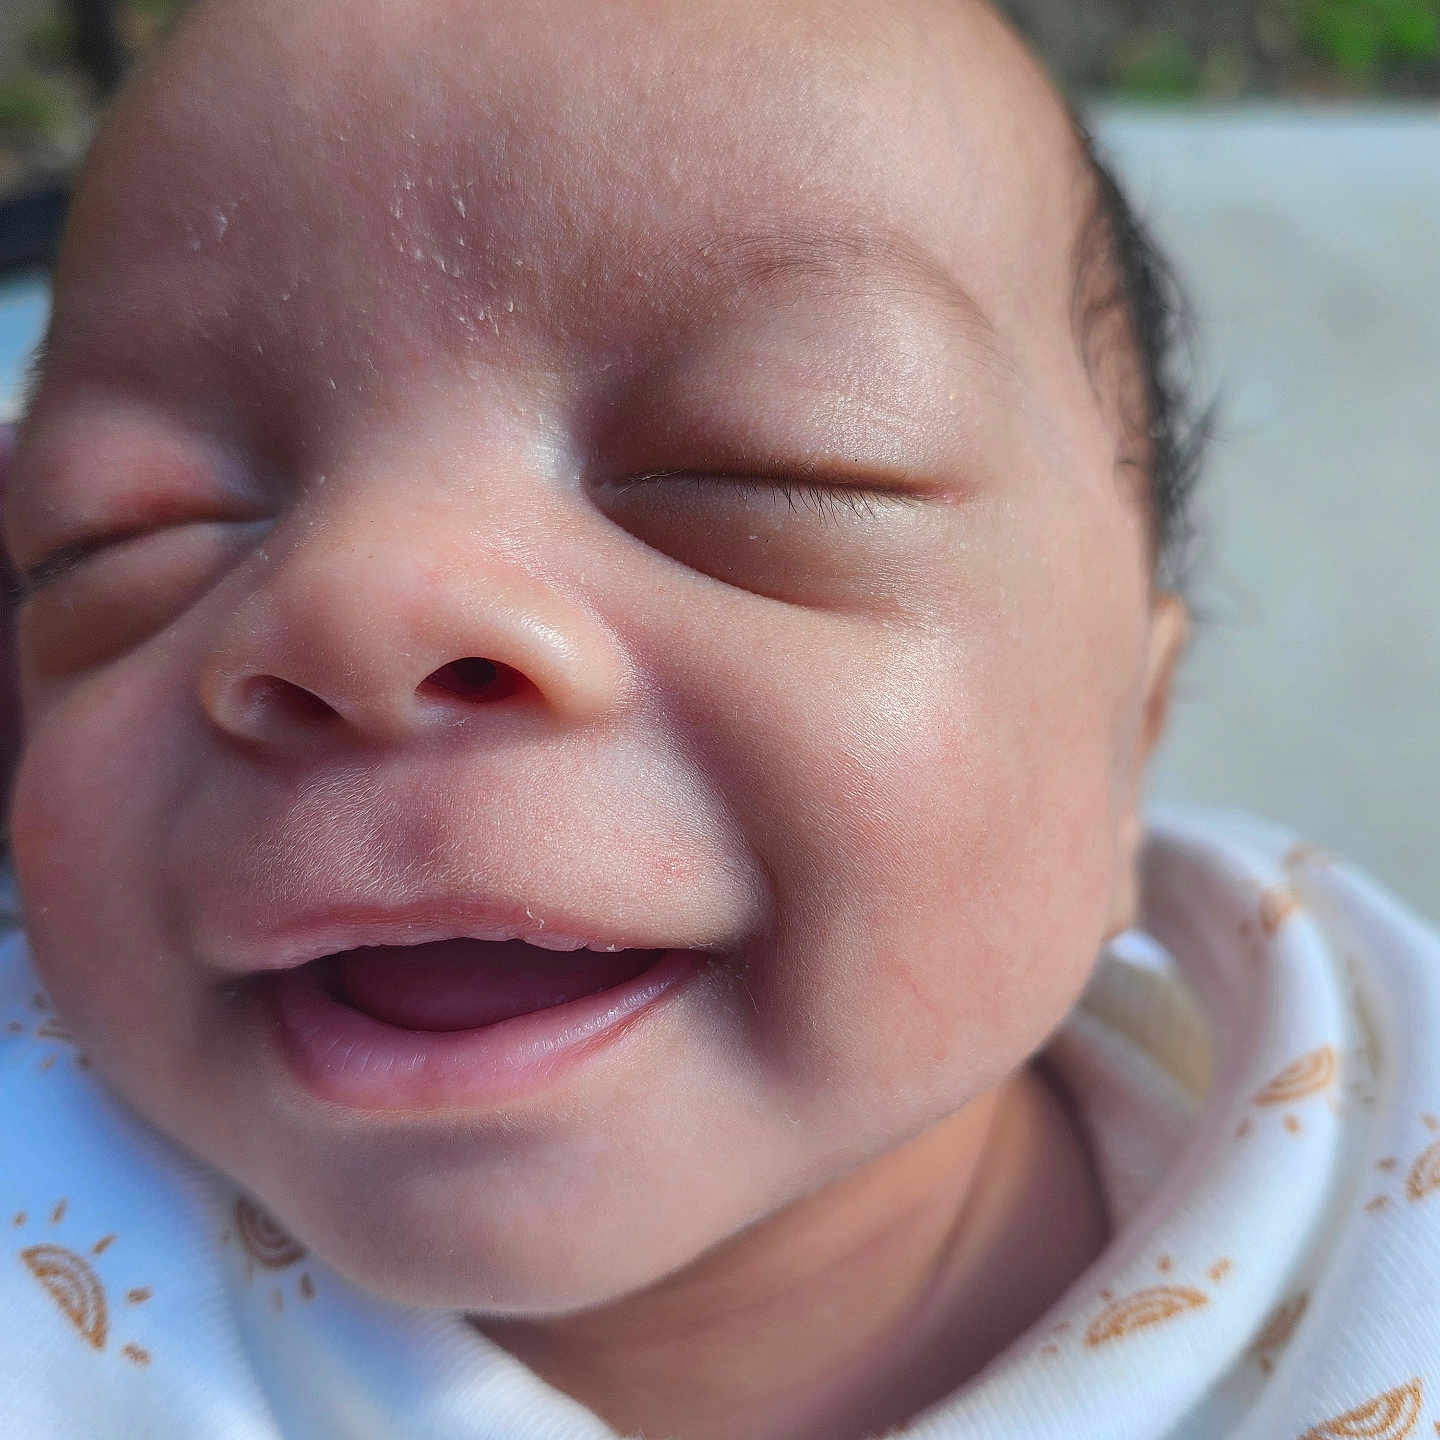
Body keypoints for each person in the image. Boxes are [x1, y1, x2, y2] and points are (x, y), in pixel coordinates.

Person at [2, 1, 1437, 1436]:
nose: (358, 602)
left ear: (1132, 733)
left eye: (764, 465)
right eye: (124, 532)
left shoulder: (1383, 1214)